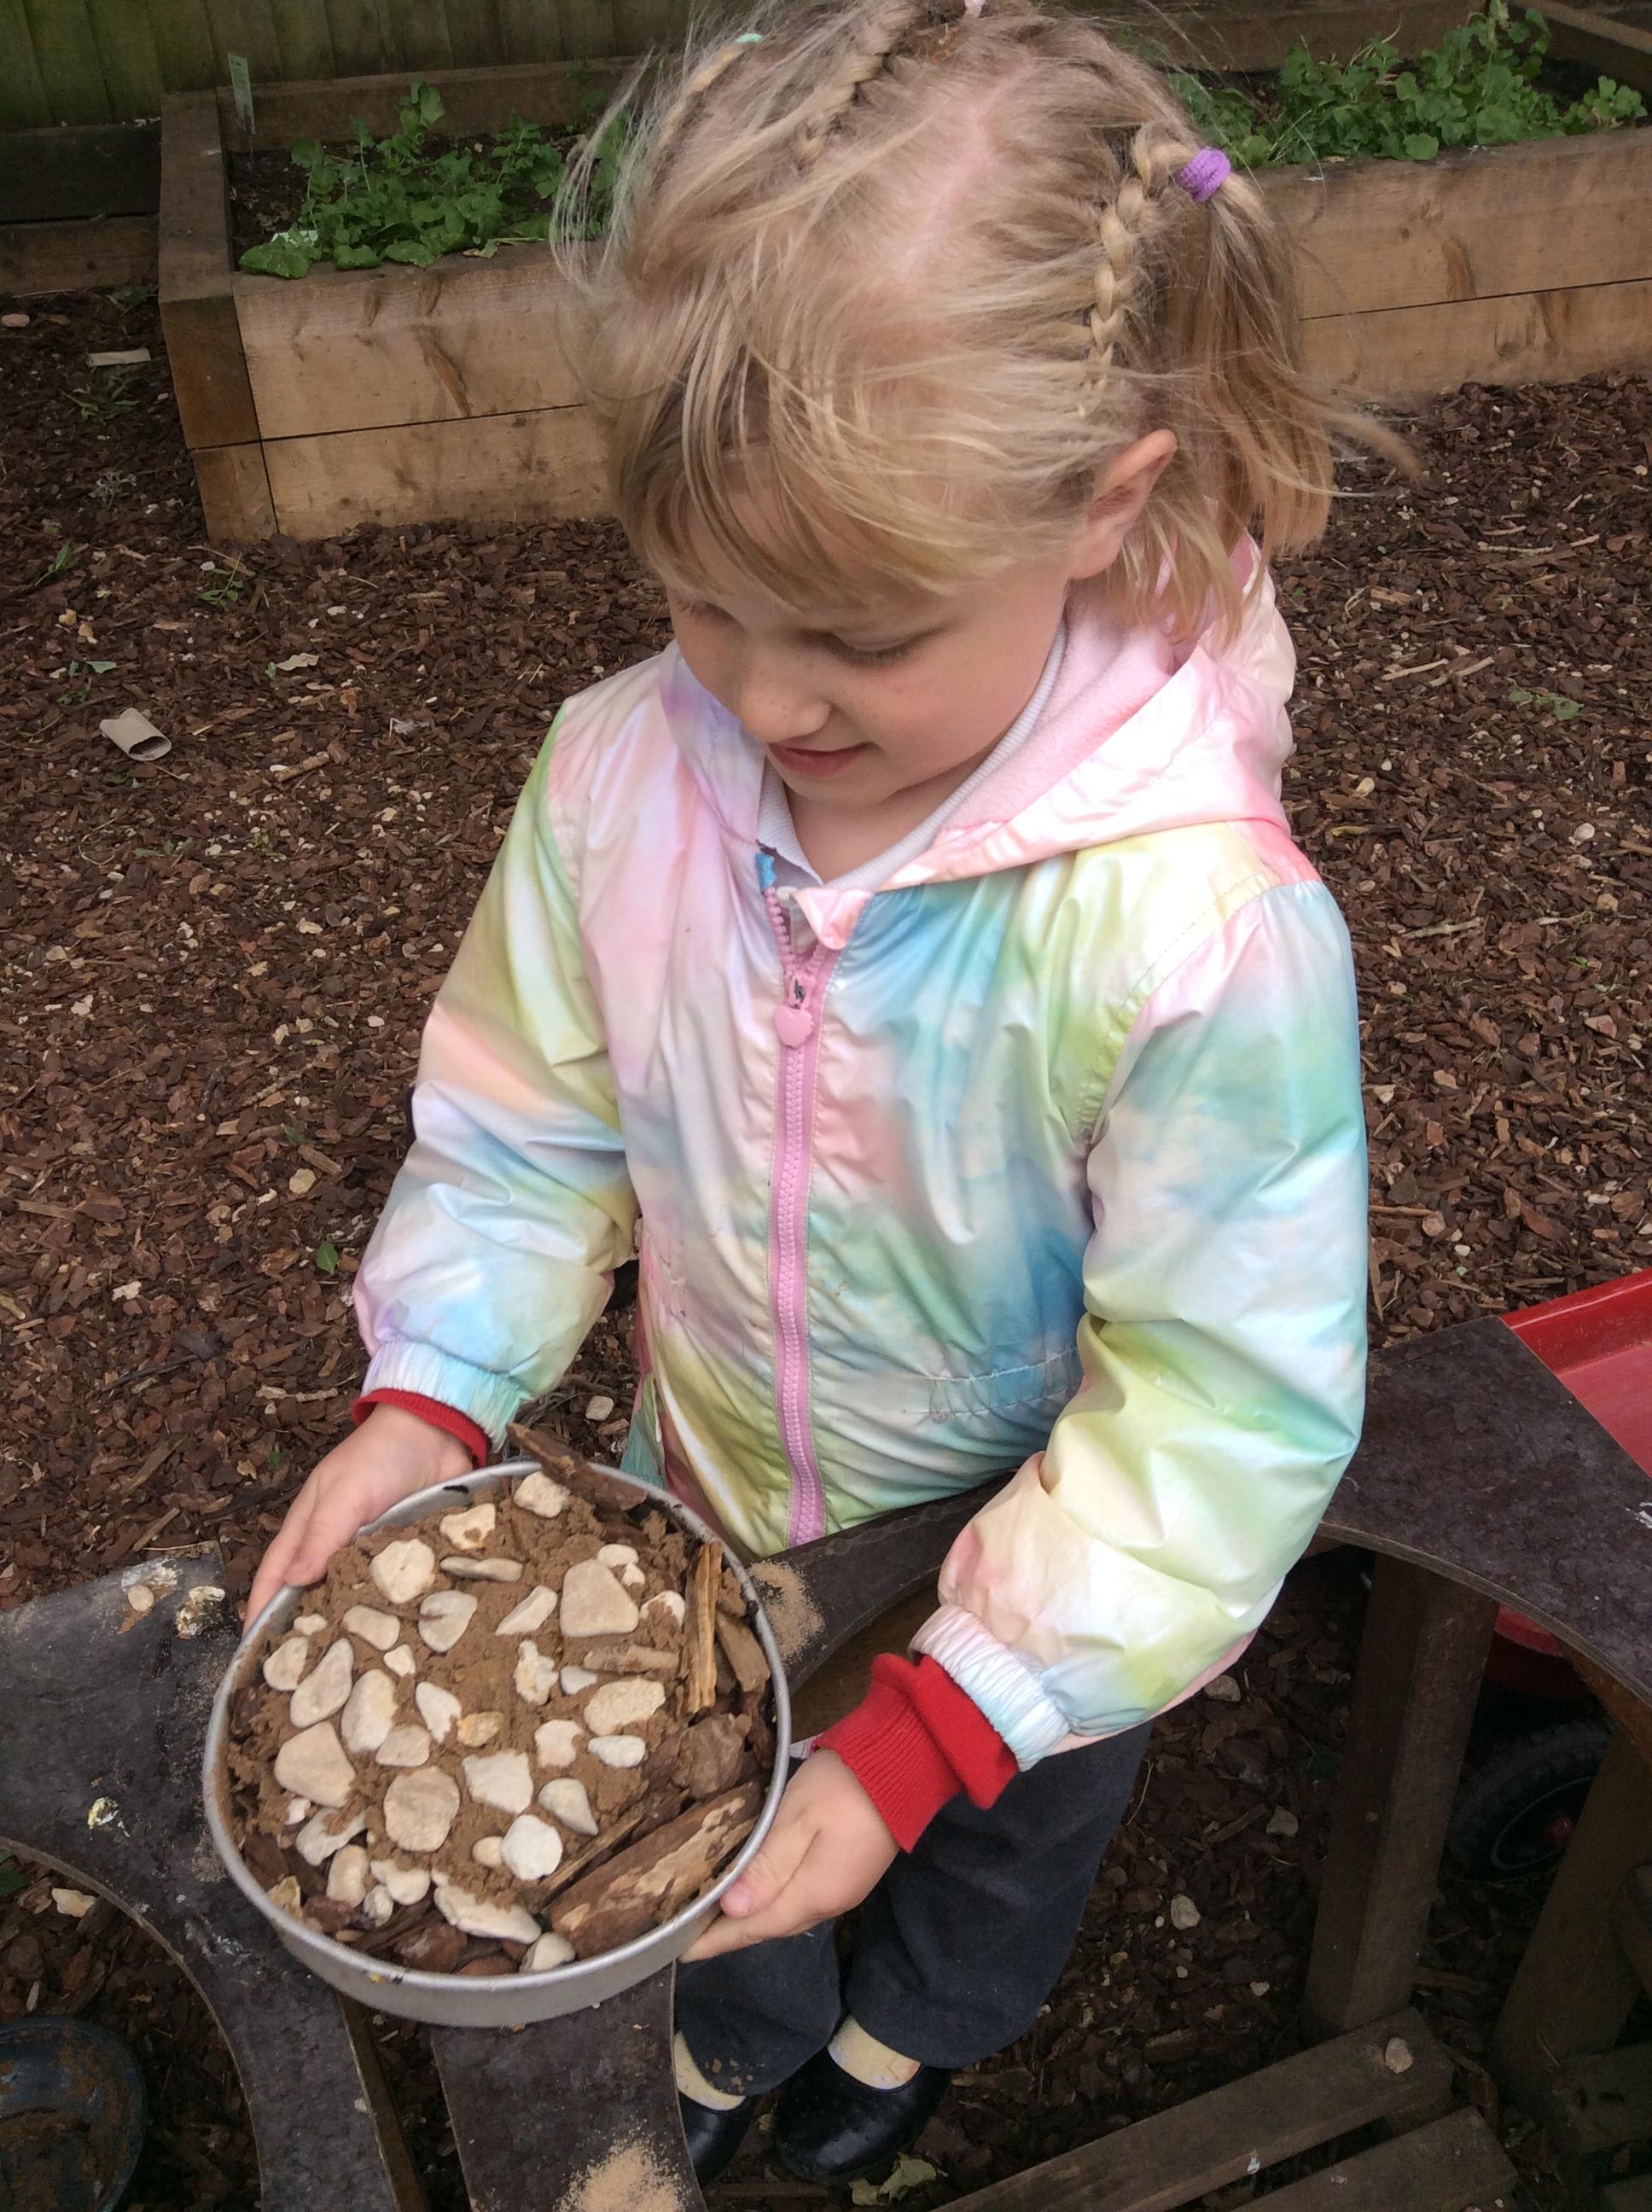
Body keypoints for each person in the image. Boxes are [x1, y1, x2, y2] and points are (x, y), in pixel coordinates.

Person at [247, 0, 1377, 2184]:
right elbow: (521, 1124)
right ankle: (746, 2024)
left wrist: (955, 1708)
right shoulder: (618, 776)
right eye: (700, 602)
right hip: (715, 1485)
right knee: (724, 1809)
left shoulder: (1193, 933)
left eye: (856, 635)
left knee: (990, 1827)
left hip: (1026, 1562)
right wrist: (438, 1388)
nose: (766, 699)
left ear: (1099, 504)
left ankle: (917, 2027)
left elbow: (1221, 1401)